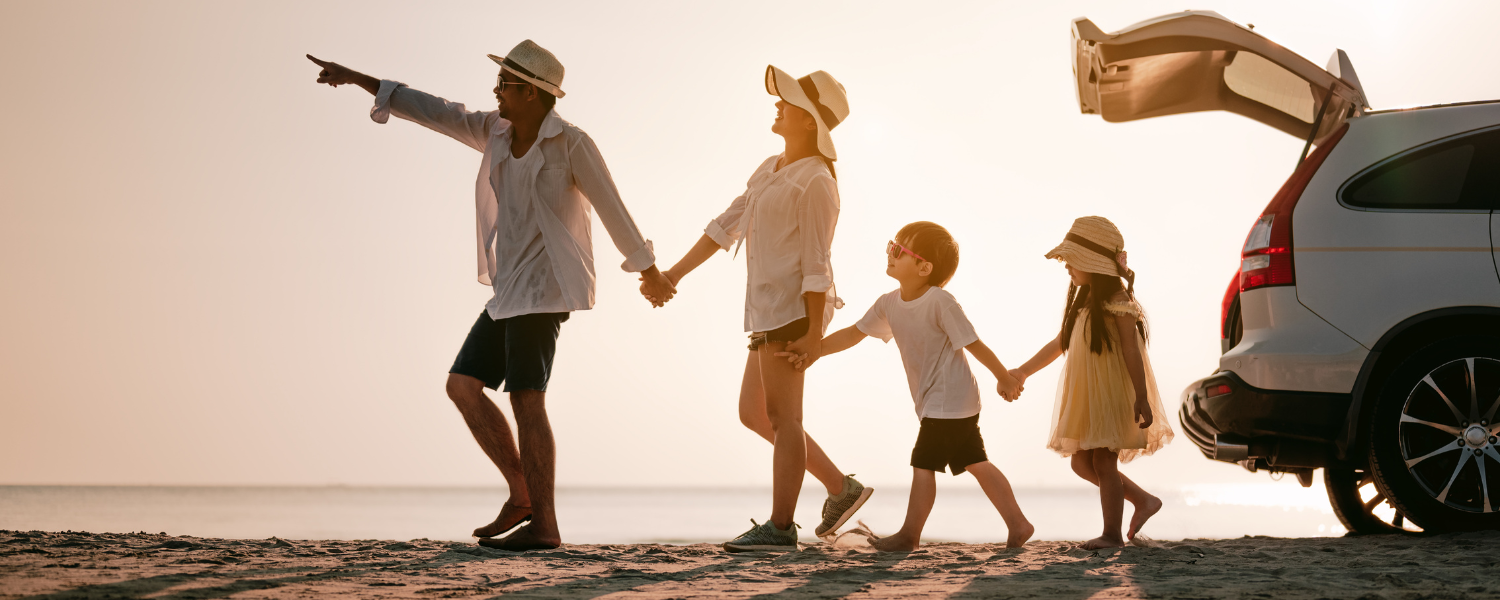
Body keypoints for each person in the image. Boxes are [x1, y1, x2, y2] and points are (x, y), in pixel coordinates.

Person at [306, 40, 678, 551]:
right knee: (462, 385)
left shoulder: (572, 143)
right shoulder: (495, 131)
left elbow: (613, 207)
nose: (496, 90)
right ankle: (522, 493)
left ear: (532, 93)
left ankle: (545, 526)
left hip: (546, 288)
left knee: (527, 399)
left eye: (505, 83)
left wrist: (649, 272)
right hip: (508, 290)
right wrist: (358, 78)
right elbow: (436, 111)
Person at [646, 65, 868, 552]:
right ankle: (841, 488)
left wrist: (813, 334)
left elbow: (817, 263)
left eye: (789, 101)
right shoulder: (771, 167)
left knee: (784, 418)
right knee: (753, 412)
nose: (778, 105)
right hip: (768, 309)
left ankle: (781, 527)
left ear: (809, 121)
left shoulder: (817, 182)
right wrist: (673, 276)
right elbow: (725, 225)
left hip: (795, 311)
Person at [778, 222, 1034, 550]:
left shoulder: (940, 301)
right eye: (891, 245)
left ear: (924, 268)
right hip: (943, 401)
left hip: (949, 399)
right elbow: (854, 334)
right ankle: (1018, 524)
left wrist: (1003, 377)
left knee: (923, 463)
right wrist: (813, 350)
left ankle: (910, 535)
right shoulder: (889, 303)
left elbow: (973, 343)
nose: (891, 253)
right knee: (975, 461)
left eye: (899, 250)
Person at [1010, 216, 1173, 549]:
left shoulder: (1119, 300)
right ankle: (1143, 500)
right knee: (1081, 462)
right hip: (1089, 393)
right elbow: (1061, 342)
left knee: (1102, 460)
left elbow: (1132, 350)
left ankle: (1112, 535)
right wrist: (1023, 372)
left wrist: (1141, 396)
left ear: (1094, 264)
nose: (1066, 266)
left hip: (1112, 392)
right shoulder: (1084, 299)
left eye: (1072, 260)